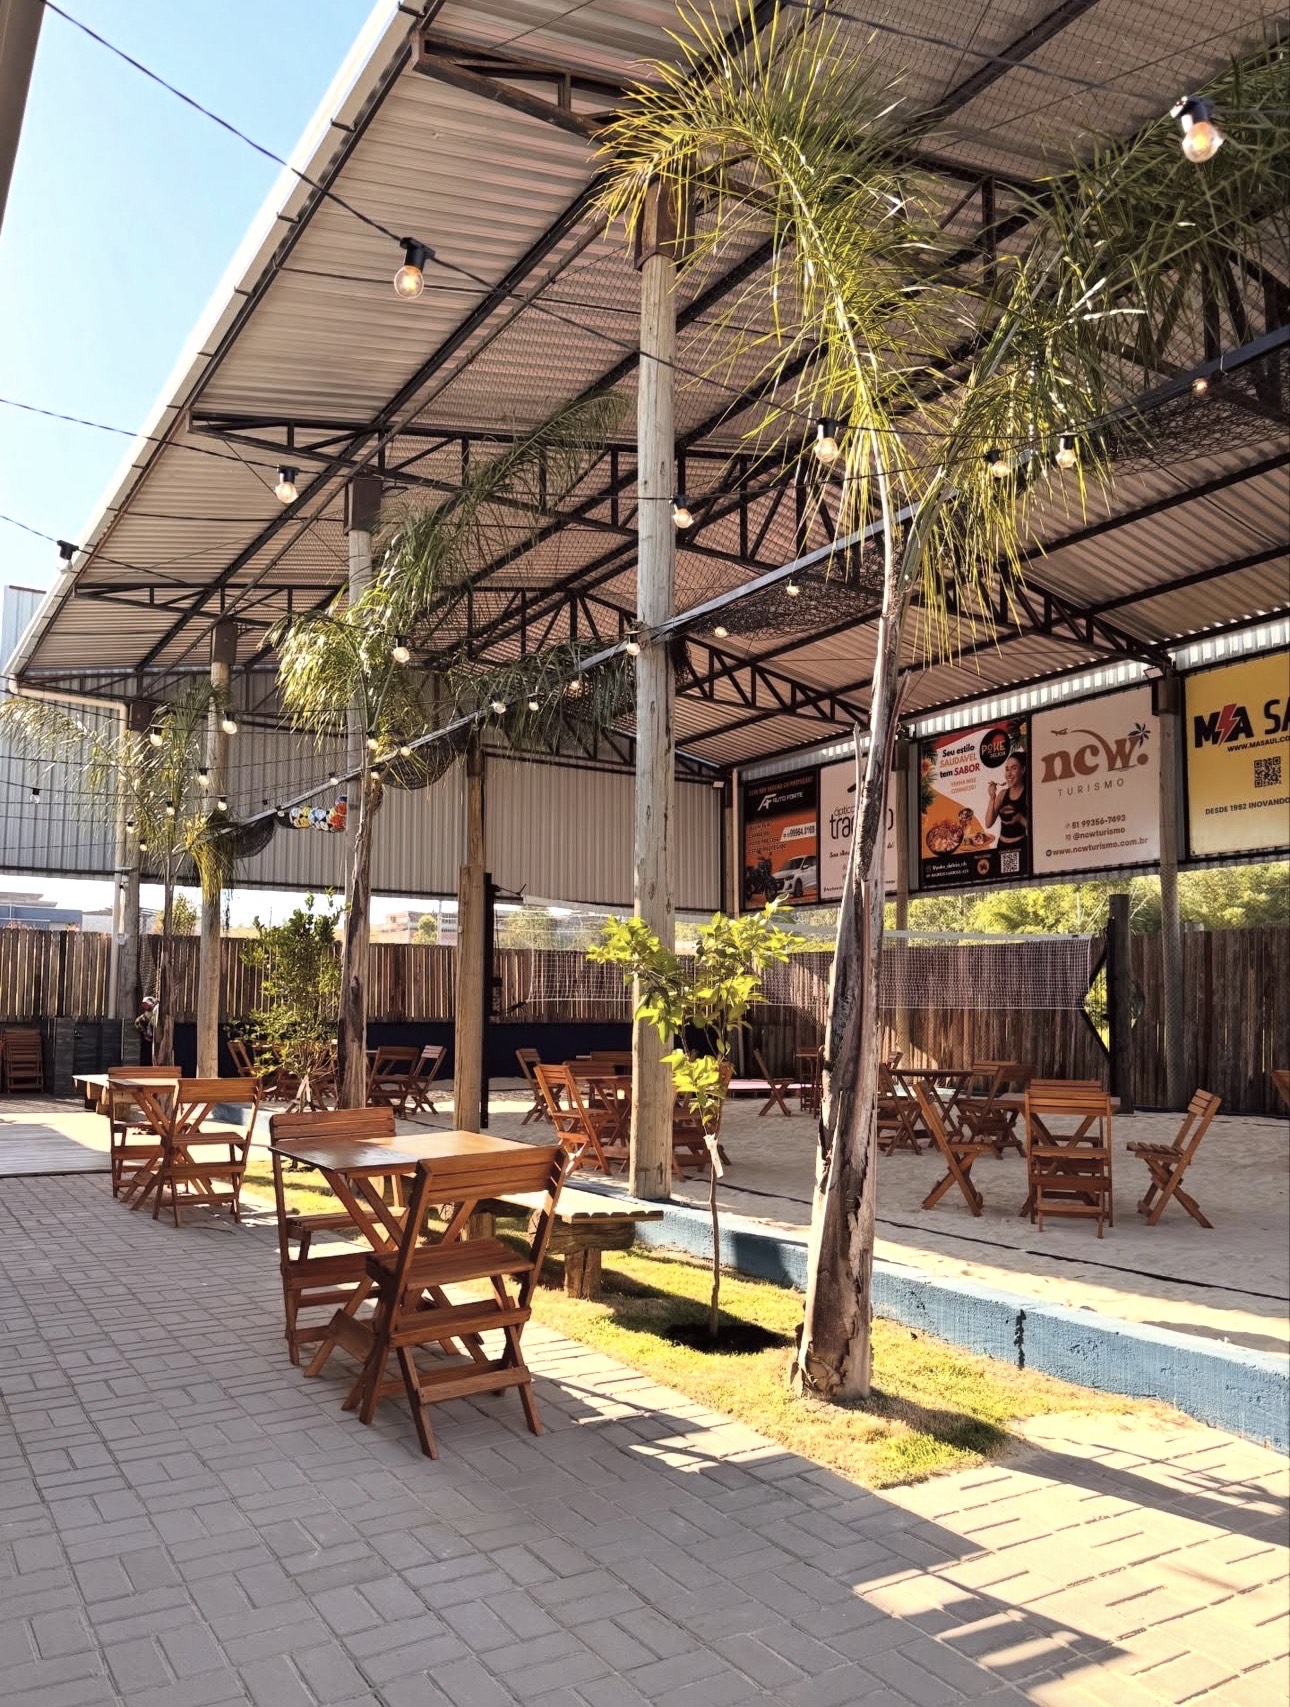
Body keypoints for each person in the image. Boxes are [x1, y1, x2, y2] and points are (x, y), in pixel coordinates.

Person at [984, 752, 1028, 848]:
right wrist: (992, 797)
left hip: (1021, 845)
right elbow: (988, 823)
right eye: (1007, 769)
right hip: (1002, 845)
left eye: (1014, 768)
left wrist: (1021, 819)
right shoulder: (1003, 794)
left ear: (1023, 770)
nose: (1009, 774)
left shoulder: (1028, 794)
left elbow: (1038, 829)